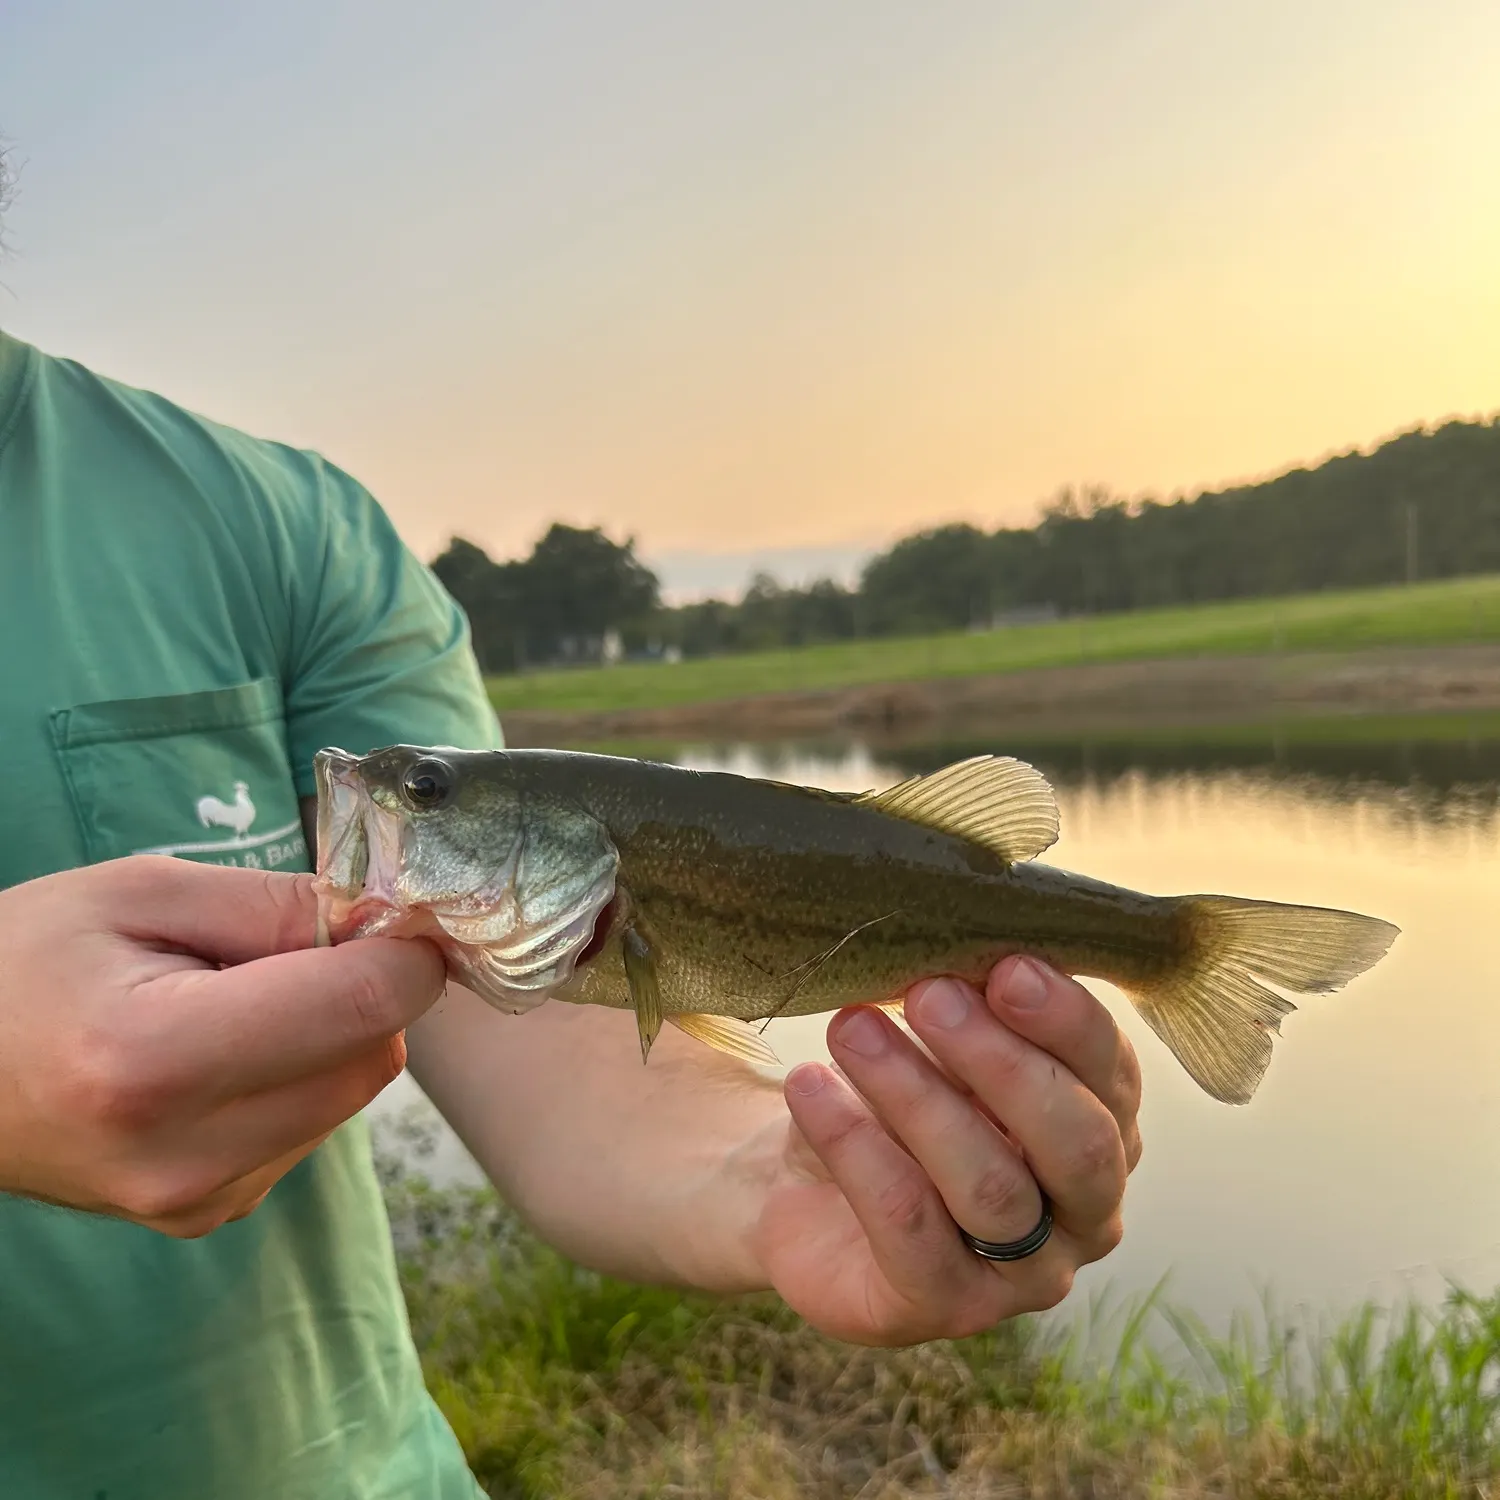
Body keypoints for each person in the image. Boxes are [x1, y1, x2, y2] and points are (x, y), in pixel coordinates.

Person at [0, 316, 1142, 1492]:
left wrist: (784, 1171)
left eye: (428, 790)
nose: (383, 795)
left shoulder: (281, 528)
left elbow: (547, 1023)